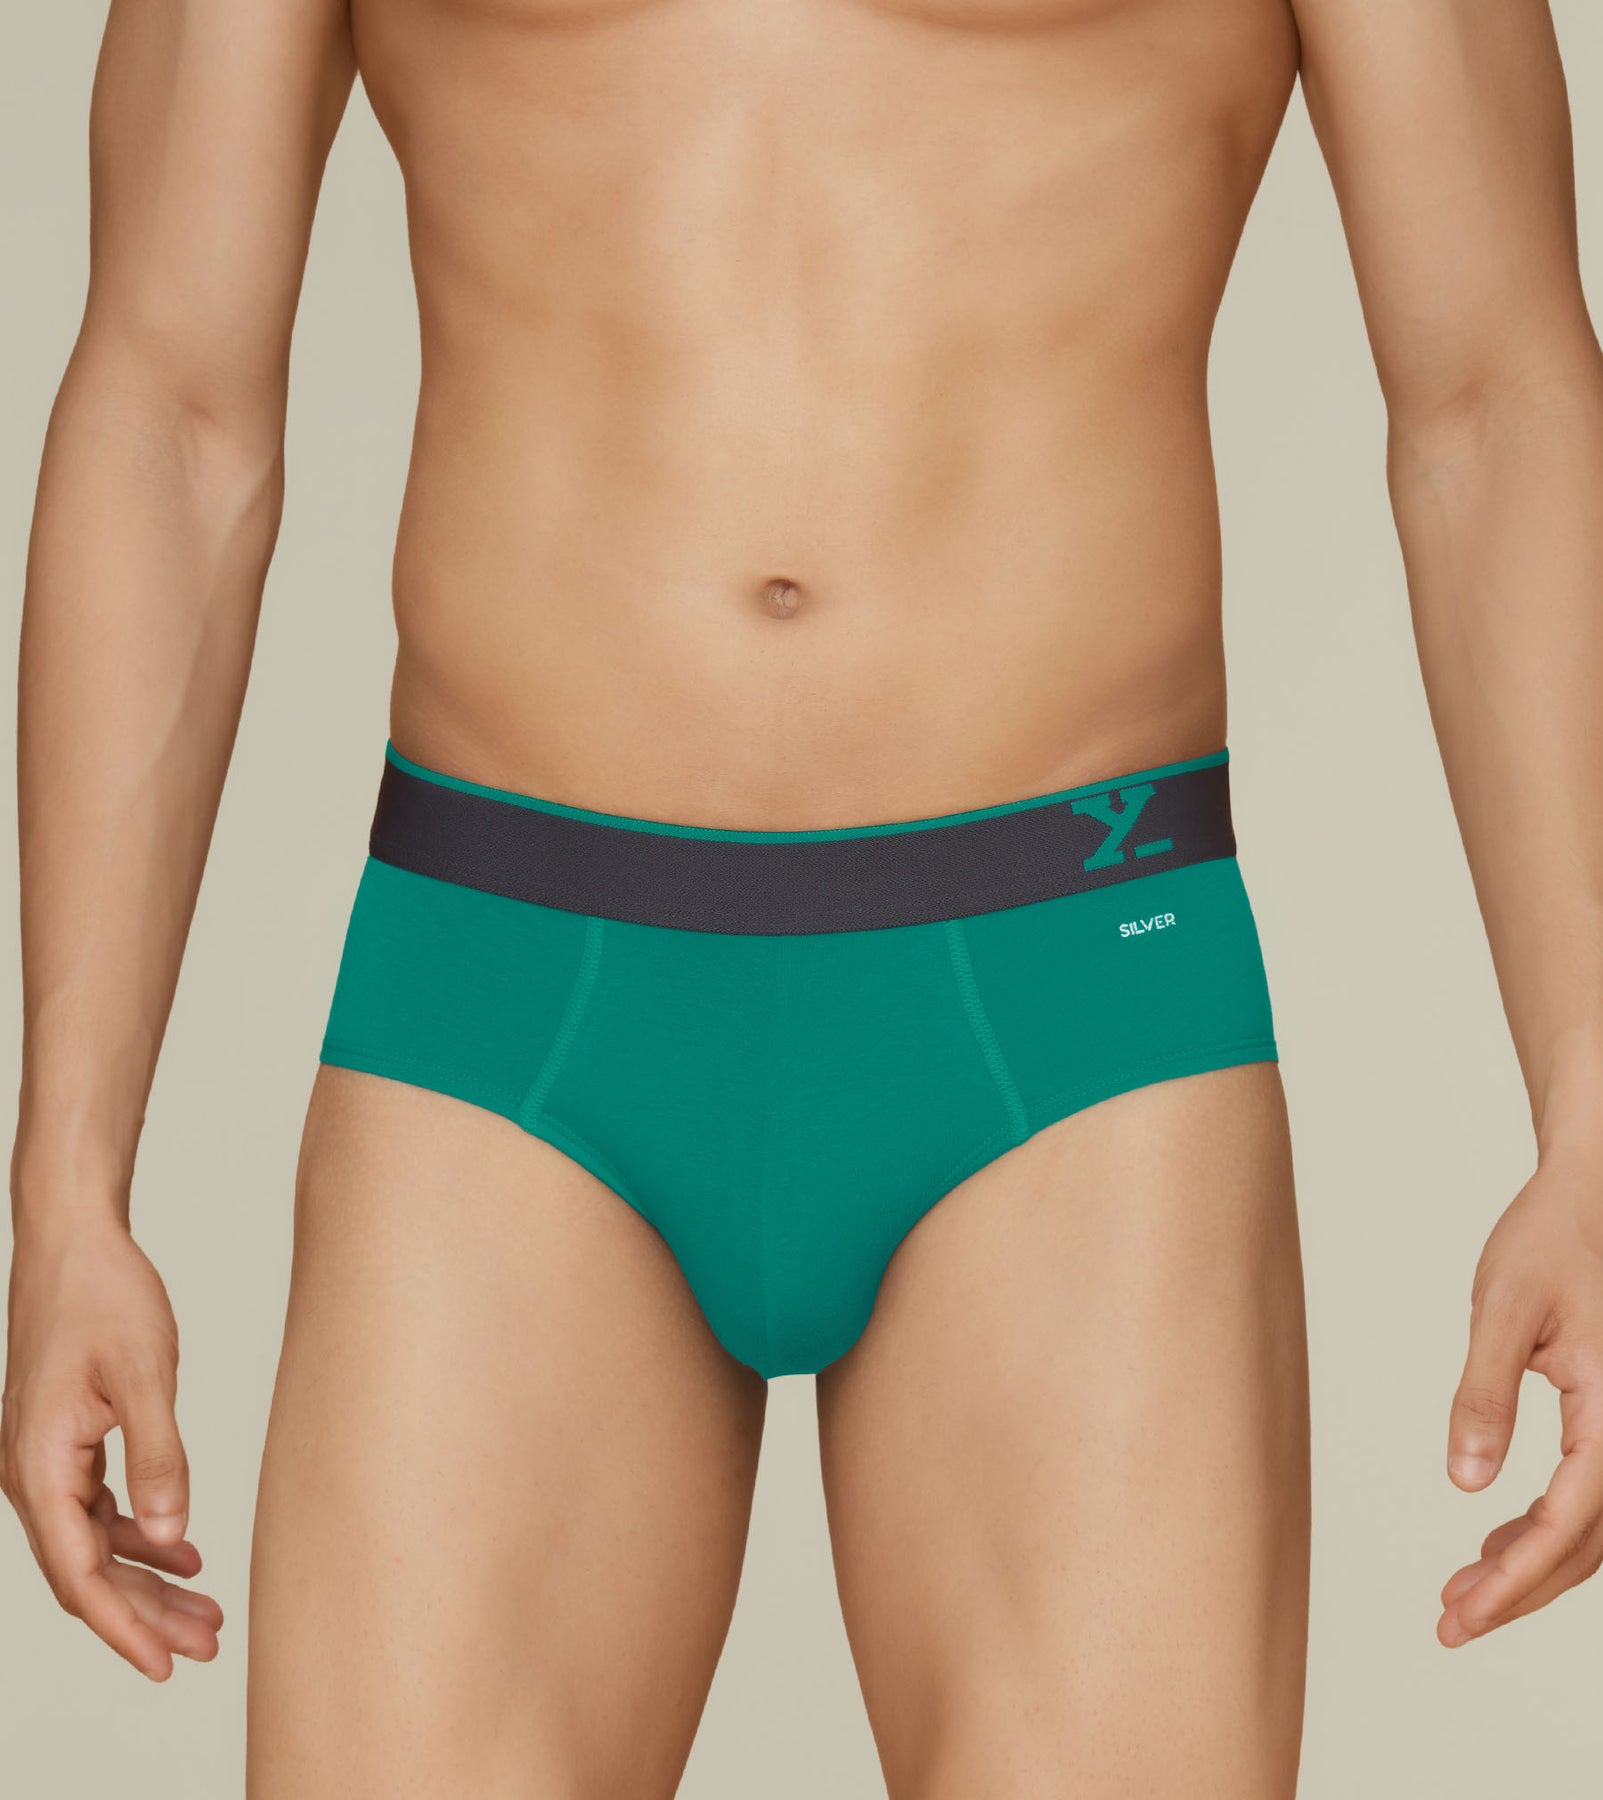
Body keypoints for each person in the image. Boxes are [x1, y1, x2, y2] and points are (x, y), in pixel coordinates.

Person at [5, 0, 1603, 1793]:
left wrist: (1594, 1093)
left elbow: (1496, 396)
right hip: (508, 990)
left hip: (1070, 999)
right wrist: (64, 1178)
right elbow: (170, 403)